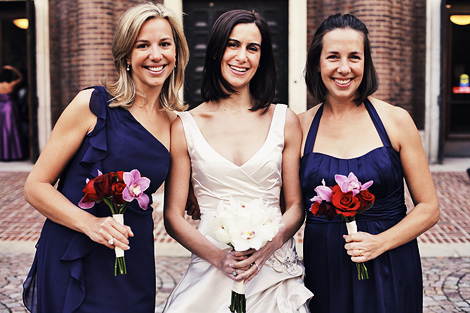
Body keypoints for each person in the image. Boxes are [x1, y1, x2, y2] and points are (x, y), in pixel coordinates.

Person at [22, 3, 189, 312]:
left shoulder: (176, 124)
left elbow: (183, 205)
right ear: (126, 55)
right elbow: (36, 186)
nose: (156, 55)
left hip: (132, 257)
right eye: (143, 45)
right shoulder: (92, 104)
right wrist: (91, 224)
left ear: (177, 53)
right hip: (74, 253)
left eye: (165, 44)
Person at [163, 9, 312, 312]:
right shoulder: (185, 126)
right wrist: (220, 258)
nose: (241, 56)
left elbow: (296, 206)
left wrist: (268, 249)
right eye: (233, 45)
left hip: (273, 273)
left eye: (252, 48)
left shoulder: (284, 119)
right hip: (210, 268)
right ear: (217, 51)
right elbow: (174, 217)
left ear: (262, 58)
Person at [299, 13, 440, 313]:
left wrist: (380, 243)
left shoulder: (396, 121)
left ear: (367, 63)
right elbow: (288, 207)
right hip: (325, 267)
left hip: (391, 262)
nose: (344, 68)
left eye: (354, 57)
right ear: (317, 63)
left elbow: (429, 209)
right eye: (333, 56)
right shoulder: (299, 128)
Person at [0, 65, 24, 161]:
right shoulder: (11, 84)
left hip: (1, 108)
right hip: (10, 108)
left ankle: (3, 155)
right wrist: (13, 68)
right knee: (12, 130)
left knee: (2, 131)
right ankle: (14, 154)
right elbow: (21, 77)